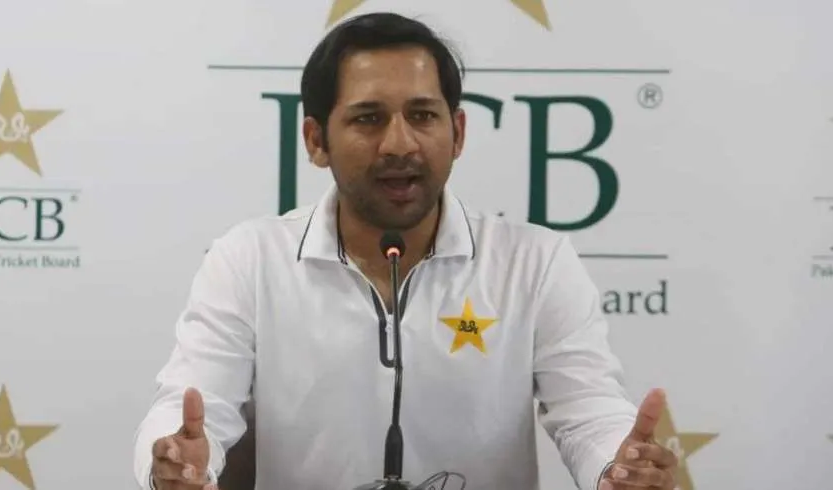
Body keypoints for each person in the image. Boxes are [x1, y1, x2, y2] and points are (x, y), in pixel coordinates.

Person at [133, 11, 679, 490]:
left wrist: (616, 464)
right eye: (368, 118)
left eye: (422, 115)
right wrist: (175, 462)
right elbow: (190, 408)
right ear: (316, 140)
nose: (400, 143)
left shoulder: (535, 263)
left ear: (457, 132)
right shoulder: (249, 260)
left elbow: (588, 408)